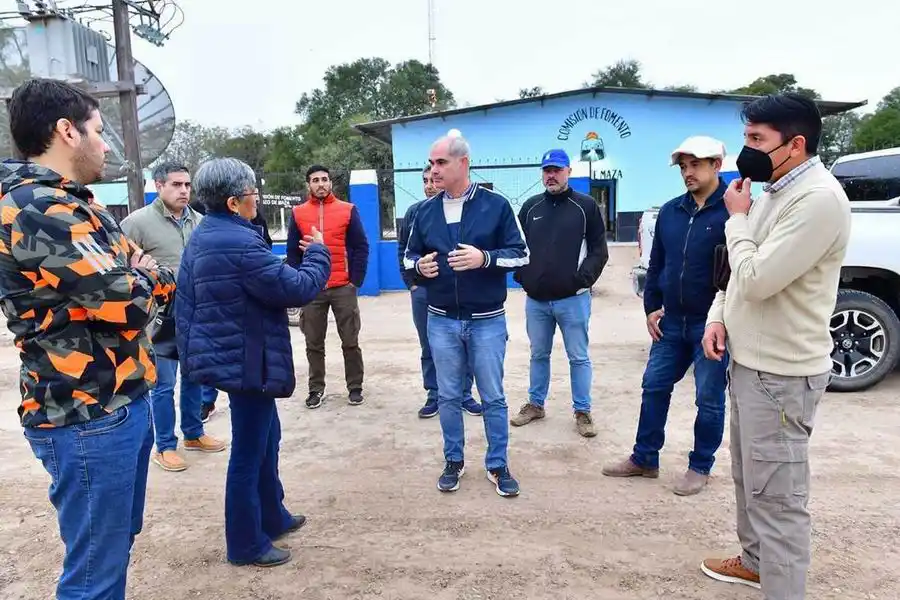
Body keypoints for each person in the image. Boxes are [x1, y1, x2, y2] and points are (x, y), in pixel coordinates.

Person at [0, 78, 176, 598]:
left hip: (117, 401)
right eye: (99, 131)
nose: (106, 144)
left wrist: (137, 275)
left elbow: (129, 282)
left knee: (111, 551)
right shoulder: (39, 210)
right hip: (86, 417)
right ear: (66, 132)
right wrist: (147, 277)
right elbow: (132, 300)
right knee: (94, 575)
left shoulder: (75, 206)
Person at [699, 94, 851, 598]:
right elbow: (733, 271)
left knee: (779, 499)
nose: (747, 151)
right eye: (745, 138)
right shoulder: (770, 191)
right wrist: (719, 316)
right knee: (750, 479)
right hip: (749, 362)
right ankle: (754, 562)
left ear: (797, 143)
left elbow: (759, 277)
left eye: (757, 140)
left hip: (782, 374)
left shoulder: (818, 200)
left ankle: (781, 583)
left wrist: (736, 218)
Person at [175, 157, 331, 568]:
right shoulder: (238, 242)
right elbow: (295, 288)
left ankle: (272, 515)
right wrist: (318, 254)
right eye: (251, 195)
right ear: (232, 202)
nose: (255, 200)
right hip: (246, 361)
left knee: (267, 440)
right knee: (248, 452)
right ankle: (245, 543)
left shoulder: (207, 234)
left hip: (234, 354)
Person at [601, 136, 730, 495]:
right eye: (683, 167)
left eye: (695, 165)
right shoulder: (672, 212)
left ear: (716, 165)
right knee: (654, 387)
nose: (688, 173)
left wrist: (726, 318)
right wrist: (650, 307)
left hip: (712, 324)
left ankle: (700, 465)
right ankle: (645, 458)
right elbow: (657, 263)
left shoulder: (734, 212)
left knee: (708, 398)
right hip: (672, 322)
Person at [403, 132, 530, 497]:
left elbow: (522, 255)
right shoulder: (424, 211)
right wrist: (420, 267)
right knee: (447, 396)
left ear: (463, 163)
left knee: (492, 396)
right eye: (431, 163)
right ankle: (453, 461)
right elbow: (410, 257)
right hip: (440, 318)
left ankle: (498, 464)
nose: (433, 170)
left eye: (441, 163)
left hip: (487, 319)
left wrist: (484, 258)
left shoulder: (496, 205)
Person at [121, 162, 226, 472]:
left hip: (196, 315)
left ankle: (194, 433)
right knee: (163, 384)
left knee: (195, 376)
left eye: (187, 185)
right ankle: (165, 445)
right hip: (158, 320)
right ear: (158, 186)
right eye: (176, 184)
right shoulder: (136, 224)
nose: (184, 190)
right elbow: (118, 267)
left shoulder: (202, 222)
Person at [510, 149, 608, 438]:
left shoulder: (585, 206)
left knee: (578, 356)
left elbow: (598, 250)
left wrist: (582, 279)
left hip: (573, 300)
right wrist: (522, 276)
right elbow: (515, 246)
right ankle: (536, 404)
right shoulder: (530, 208)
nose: (551, 175)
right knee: (538, 354)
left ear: (568, 172)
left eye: (557, 170)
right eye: (546, 170)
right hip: (536, 301)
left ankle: (582, 411)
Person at [397, 163, 481, 419]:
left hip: (459, 290)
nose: (429, 186)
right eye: (425, 181)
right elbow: (403, 251)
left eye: (433, 181)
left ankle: (464, 394)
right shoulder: (414, 213)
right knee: (429, 345)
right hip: (423, 291)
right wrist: (411, 283)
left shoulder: (460, 210)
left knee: (464, 343)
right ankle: (434, 394)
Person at [286, 165, 369, 408]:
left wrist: (356, 280)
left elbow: (361, 246)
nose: (320, 184)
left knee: (350, 340)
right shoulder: (298, 213)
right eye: (315, 180)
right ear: (308, 185)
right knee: (313, 342)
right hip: (312, 288)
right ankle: (316, 389)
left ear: (331, 183)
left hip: (343, 285)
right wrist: (298, 280)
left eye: (324, 179)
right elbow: (292, 252)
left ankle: (355, 387)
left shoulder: (347, 210)